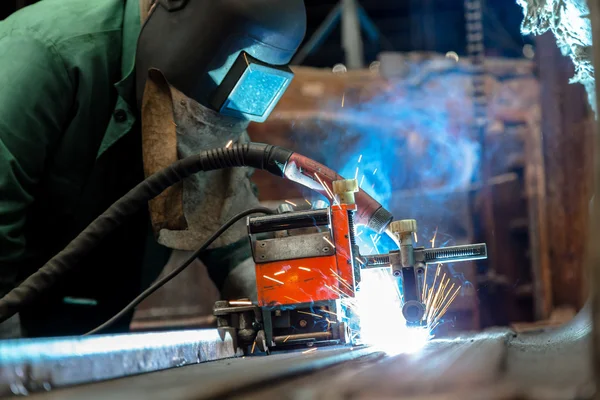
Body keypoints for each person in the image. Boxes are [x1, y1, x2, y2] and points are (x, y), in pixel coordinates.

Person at [0, 0, 306, 337]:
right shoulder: (43, 53)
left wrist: (277, 301)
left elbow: (227, 225)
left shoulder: (212, 90)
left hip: (101, 319)